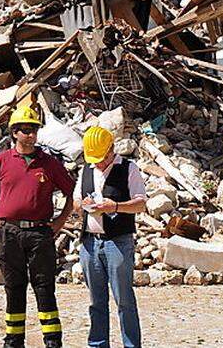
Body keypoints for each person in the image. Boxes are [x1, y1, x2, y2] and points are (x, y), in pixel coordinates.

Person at [0, 100, 76, 348]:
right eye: (26, 130)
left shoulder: (49, 163)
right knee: (14, 287)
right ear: (14, 132)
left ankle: (52, 341)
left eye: (34, 130)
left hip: (40, 233)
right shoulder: (2, 160)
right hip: (9, 232)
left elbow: (72, 193)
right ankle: (14, 341)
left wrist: (60, 221)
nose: (31, 135)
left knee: (44, 287)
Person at [77, 125, 147, 348]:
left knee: (124, 300)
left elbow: (141, 203)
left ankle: (131, 345)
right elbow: (76, 200)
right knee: (96, 301)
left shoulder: (128, 168)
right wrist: (84, 205)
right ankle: (97, 344)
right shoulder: (86, 170)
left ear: (111, 150)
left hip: (118, 242)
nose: (98, 163)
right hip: (90, 243)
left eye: (102, 158)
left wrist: (115, 206)